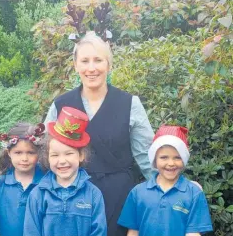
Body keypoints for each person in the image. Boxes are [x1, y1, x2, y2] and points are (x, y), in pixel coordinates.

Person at [43, 31, 155, 235]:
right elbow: (44, 152)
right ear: (76, 65)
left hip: (120, 197)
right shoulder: (60, 105)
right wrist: (7, 172)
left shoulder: (130, 104)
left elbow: (146, 157)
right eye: (85, 61)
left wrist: (173, 185)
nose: (91, 68)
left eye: (98, 60)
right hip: (72, 196)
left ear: (109, 65)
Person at [24, 106, 107, 236]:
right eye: (55, 155)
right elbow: (31, 231)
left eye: (68, 153)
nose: (62, 161)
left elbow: (99, 232)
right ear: (48, 158)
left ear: (81, 156)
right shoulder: (38, 194)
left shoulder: (93, 194)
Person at [117, 125, 213, 236]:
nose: (171, 163)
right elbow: (133, 232)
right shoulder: (137, 193)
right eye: (164, 157)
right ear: (154, 159)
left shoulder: (194, 193)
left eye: (177, 157)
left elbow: (193, 233)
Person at [0, 122, 45, 236]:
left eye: (31, 152)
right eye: (18, 152)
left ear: (39, 153)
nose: (24, 158)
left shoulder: (48, 182)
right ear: (9, 153)